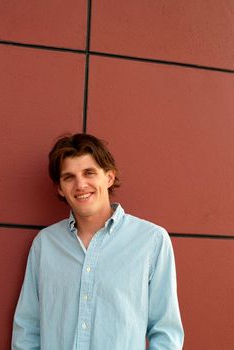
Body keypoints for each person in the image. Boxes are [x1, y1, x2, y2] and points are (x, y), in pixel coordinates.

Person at [12, 133, 184, 350]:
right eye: (69, 177)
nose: (80, 184)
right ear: (60, 188)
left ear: (109, 177)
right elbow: (27, 328)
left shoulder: (151, 241)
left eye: (89, 173)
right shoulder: (45, 244)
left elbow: (166, 332)